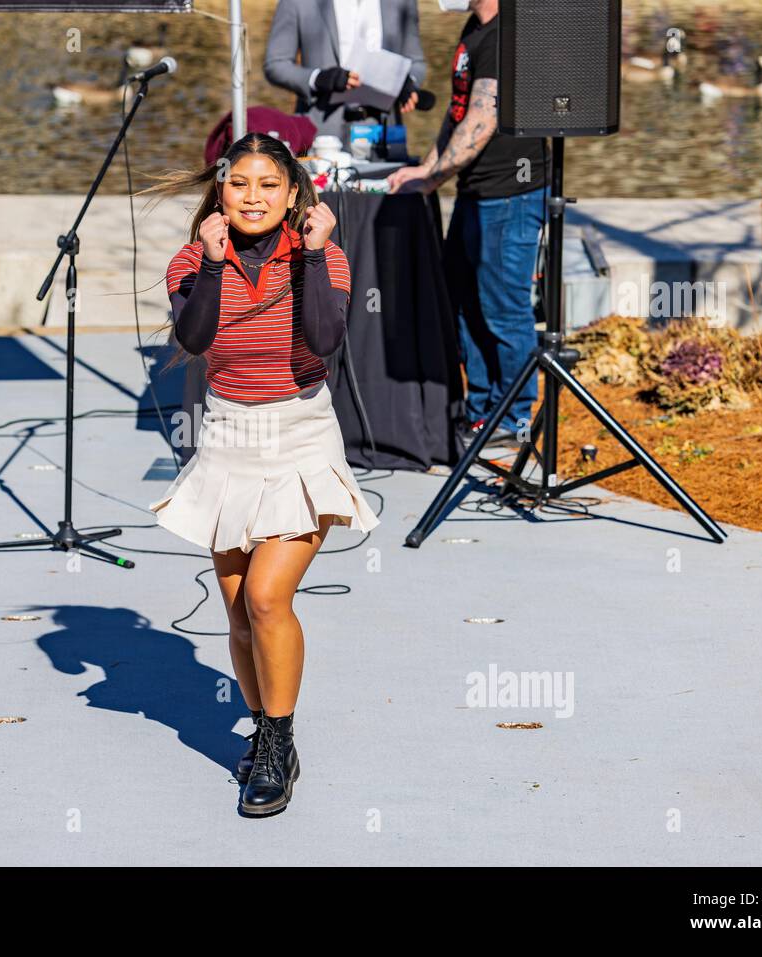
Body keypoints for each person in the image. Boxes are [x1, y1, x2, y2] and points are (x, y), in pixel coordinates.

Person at [143, 133, 381, 817]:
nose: (253, 196)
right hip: (226, 440)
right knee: (238, 605)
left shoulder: (324, 257)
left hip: (300, 436)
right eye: (239, 183)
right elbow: (194, 339)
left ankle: (277, 743)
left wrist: (309, 253)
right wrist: (216, 266)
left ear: (294, 193)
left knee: (270, 596)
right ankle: (263, 724)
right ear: (220, 192)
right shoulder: (192, 259)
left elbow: (326, 340)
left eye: (268, 184)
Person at [387, 0, 547, 447]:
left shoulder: (508, 31)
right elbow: (458, 113)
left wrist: (433, 176)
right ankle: (482, 414)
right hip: (476, 192)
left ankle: (512, 420)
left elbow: (484, 117)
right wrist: (427, 168)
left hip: (511, 194)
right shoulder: (475, 28)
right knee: (464, 302)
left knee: (502, 308)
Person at [264, 0, 427, 145]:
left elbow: (416, 63)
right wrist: (317, 78)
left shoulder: (403, 2)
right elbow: (276, 64)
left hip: (384, 133)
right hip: (321, 133)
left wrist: (406, 81)